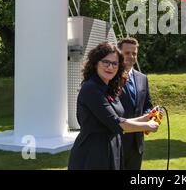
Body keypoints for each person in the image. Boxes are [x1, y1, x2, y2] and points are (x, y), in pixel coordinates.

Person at [68, 42, 159, 170]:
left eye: (115, 63)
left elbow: (120, 119)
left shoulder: (109, 88)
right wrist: (147, 126)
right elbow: (116, 123)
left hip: (112, 150)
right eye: (106, 62)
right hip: (92, 155)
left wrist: (145, 118)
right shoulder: (91, 89)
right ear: (95, 63)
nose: (110, 67)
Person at [118, 38, 154, 170]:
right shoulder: (110, 77)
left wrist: (150, 116)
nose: (131, 56)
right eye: (127, 53)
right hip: (117, 142)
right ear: (119, 53)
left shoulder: (142, 78)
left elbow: (147, 105)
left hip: (137, 144)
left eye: (134, 53)